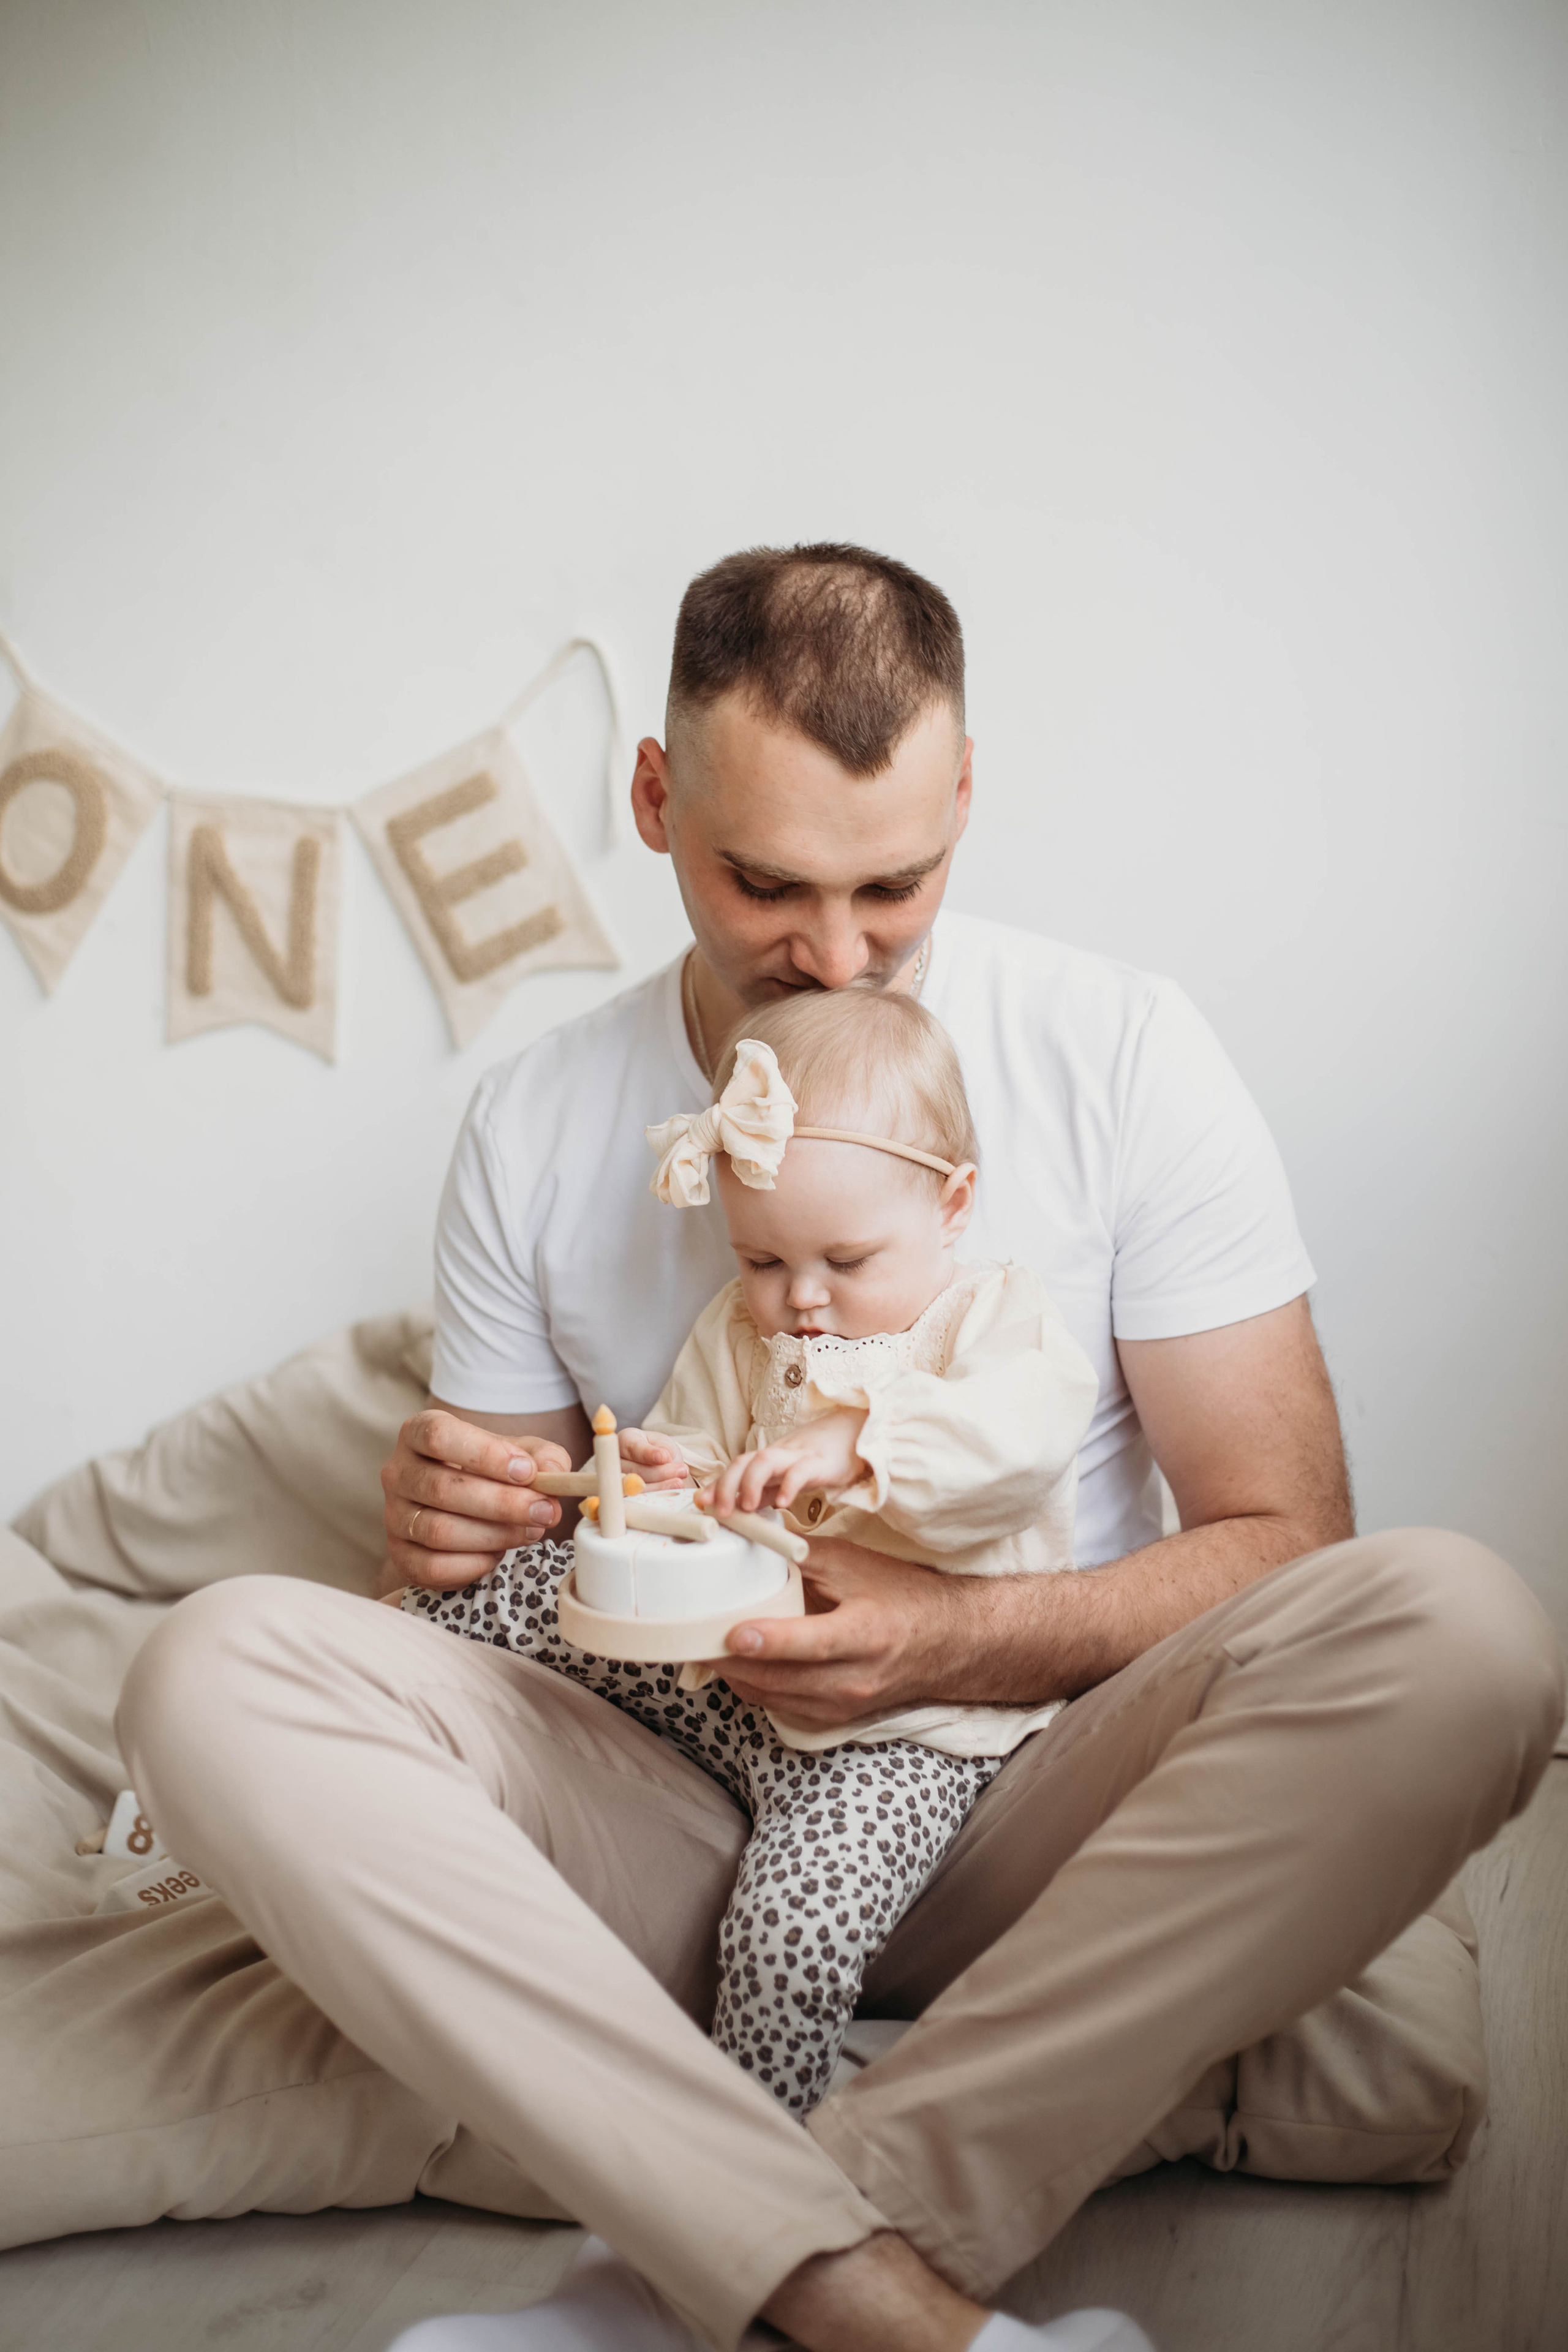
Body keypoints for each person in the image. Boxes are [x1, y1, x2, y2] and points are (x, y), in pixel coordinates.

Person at [117, 545, 1564, 2352]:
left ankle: (737, 2264)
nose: (841, 951)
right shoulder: (540, 1117)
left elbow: (1285, 1543)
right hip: (670, 1807)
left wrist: (946, 1638)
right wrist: (447, 1522)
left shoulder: (1120, 1052)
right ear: (654, 802)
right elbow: (529, 1580)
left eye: (899, 883)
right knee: (216, 1666)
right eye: (768, 885)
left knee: (1465, 1629)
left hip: (1022, 1801)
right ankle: (866, 2300)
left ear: (968, 796)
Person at [402, 993, 1100, 2117]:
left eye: (846, 1257)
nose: (803, 1298)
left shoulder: (997, 1326)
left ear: (953, 1204)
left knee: (787, 1935)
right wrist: (661, 1475)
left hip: (898, 1739)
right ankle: (349, 1678)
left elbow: (1016, 1445)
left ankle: (753, 2159)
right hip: (730, 1678)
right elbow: (690, 1436)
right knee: (531, 1587)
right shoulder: (745, 1325)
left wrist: (854, 1440)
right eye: (764, 1255)